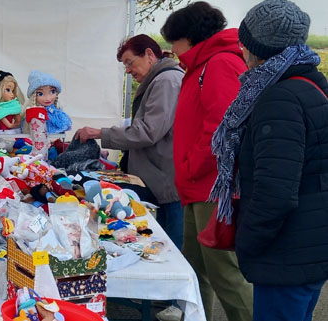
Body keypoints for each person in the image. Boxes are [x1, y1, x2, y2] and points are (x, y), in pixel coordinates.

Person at [209, 1, 328, 320]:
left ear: (255, 47)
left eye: (243, 42)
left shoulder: (279, 98)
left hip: (286, 255)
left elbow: (275, 192)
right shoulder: (311, 84)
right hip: (307, 246)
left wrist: (248, 241)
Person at [161, 2, 252, 321]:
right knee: (195, 273)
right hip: (198, 186)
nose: (172, 49)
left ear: (189, 37)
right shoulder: (202, 65)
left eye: (173, 41)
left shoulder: (219, 63)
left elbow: (223, 126)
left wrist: (190, 166)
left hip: (213, 187)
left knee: (224, 276)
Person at [76, 34, 184, 249]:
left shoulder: (166, 81)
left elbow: (147, 131)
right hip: (159, 181)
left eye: (129, 62)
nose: (127, 70)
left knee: (170, 248)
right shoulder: (159, 80)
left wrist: (100, 133)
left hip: (168, 183)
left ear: (149, 55)